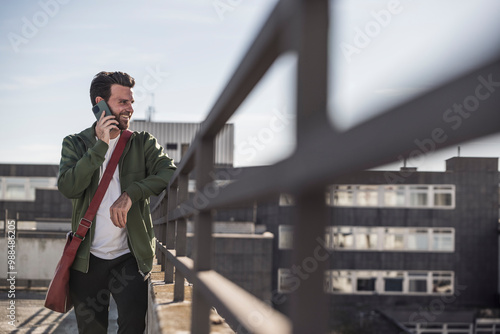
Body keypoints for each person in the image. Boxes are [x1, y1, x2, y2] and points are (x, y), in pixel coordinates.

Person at [58, 71, 176, 333]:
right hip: (86, 261)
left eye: (131, 102)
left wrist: (131, 194)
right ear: (101, 103)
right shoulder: (75, 144)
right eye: (123, 102)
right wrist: (100, 147)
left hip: (129, 258)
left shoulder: (142, 143)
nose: (130, 109)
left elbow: (169, 172)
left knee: (133, 327)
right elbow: (68, 187)